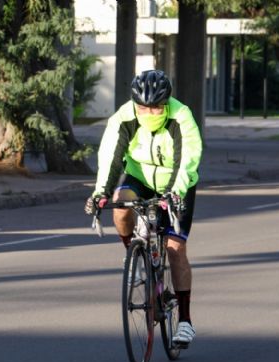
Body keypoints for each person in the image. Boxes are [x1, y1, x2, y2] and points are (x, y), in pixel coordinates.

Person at [84, 69, 202, 347]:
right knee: (120, 203)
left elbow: (188, 158)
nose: (149, 113)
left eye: (156, 107)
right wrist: (100, 191)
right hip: (140, 176)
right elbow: (110, 156)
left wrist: (175, 192)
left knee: (175, 250)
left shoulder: (181, 116)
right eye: (143, 107)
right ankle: (133, 256)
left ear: (167, 103)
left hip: (176, 182)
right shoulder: (124, 117)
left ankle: (185, 321)